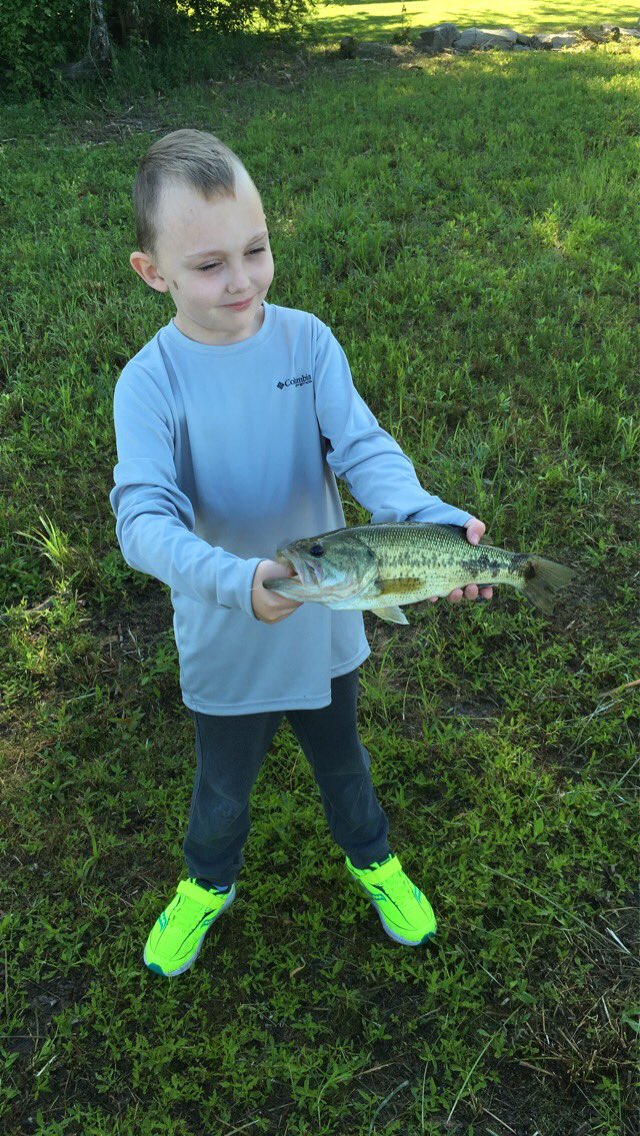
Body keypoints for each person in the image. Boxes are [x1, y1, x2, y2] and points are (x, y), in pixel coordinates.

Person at [109, 128, 493, 978]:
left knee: (344, 763)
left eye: (257, 249)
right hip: (225, 631)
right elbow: (142, 521)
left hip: (327, 622)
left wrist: (426, 517)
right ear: (154, 273)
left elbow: (363, 449)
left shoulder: (307, 342)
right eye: (209, 265)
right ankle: (207, 884)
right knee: (222, 790)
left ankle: (375, 860)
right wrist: (241, 584)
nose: (241, 280)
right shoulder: (149, 383)